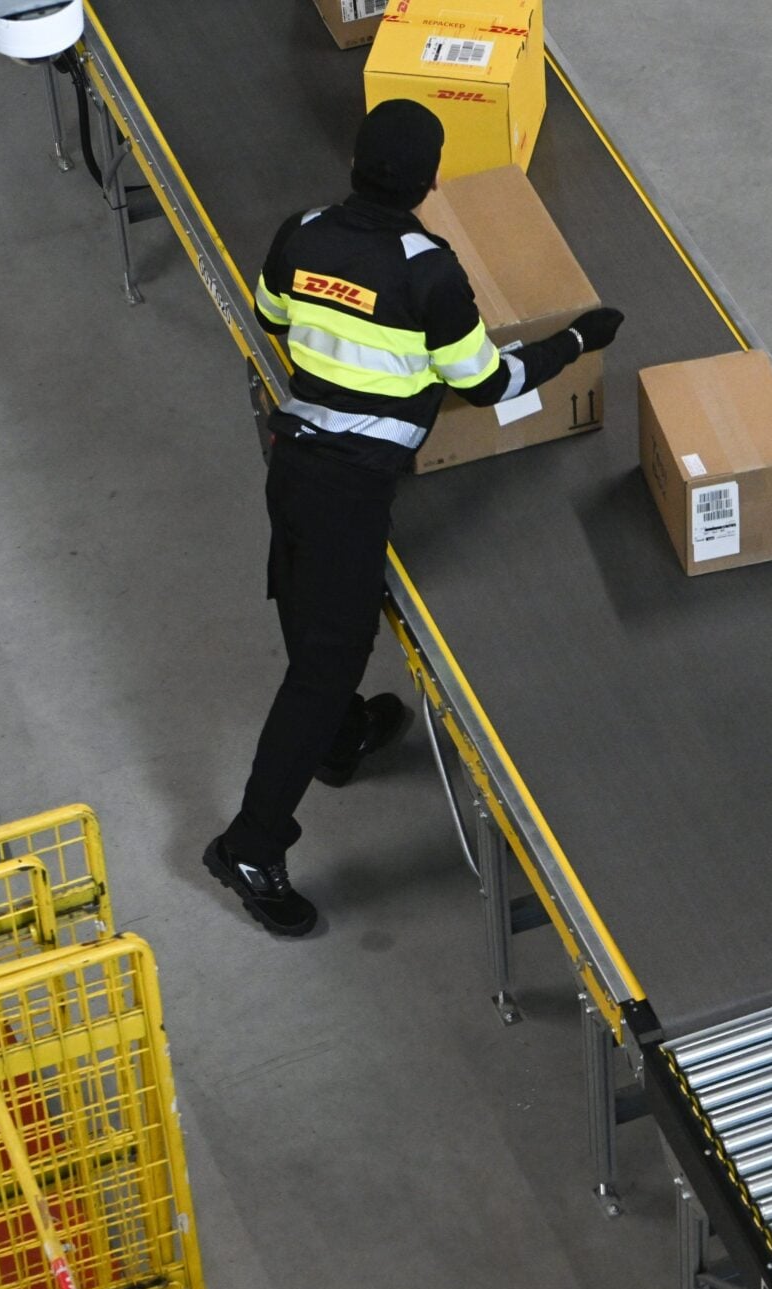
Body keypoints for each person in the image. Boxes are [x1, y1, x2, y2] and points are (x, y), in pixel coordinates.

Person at [208, 99, 626, 936]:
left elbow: (271, 316)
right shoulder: (427, 269)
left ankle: (338, 739)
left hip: (293, 459)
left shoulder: (301, 230)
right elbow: (488, 381)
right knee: (324, 663)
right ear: (431, 181)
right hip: (350, 488)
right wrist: (578, 342)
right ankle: (251, 844)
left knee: (312, 613)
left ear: (354, 162)